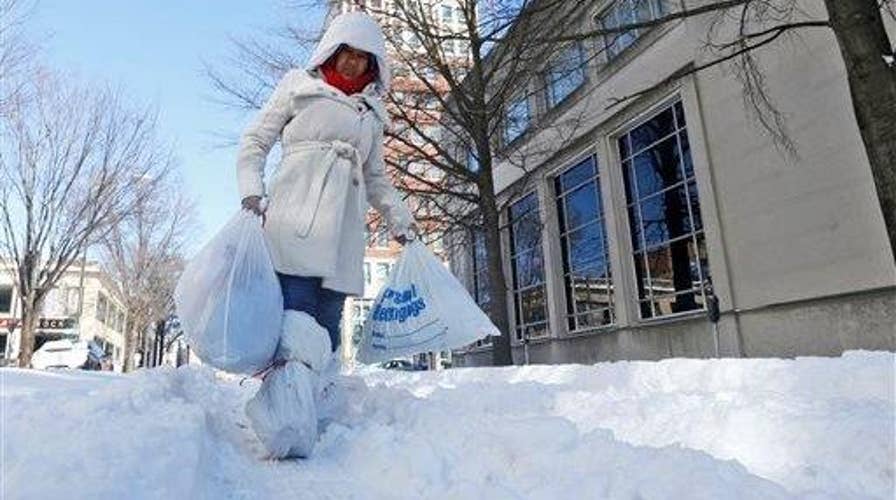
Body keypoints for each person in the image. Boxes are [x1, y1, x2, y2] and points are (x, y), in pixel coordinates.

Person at [236, 11, 416, 361]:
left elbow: (376, 178)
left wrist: (401, 220)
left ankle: (320, 400)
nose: (353, 61)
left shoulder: (372, 114)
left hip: (343, 237)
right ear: (332, 50)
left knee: (329, 325)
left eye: (362, 56)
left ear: (373, 64)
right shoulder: (298, 86)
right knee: (295, 319)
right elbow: (256, 140)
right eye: (347, 51)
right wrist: (251, 191)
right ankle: (285, 403)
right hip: (294, 223)